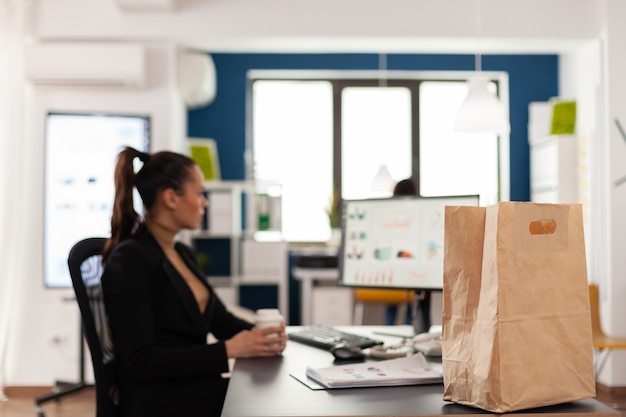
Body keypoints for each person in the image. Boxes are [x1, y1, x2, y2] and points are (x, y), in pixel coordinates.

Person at [101, 147, 287, 417]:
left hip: (193, 386)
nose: (205, 202)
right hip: (160, 400)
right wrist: (228, 350)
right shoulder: (130, 260)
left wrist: (265, 337)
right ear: (171, 198)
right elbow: (139, 361)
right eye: (199, 193)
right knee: (269, 402)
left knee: (271, 393)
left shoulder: (182, 253)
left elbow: (221, 320)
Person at [386, 178, 431, 334]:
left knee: (392, 302)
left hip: (390, 277)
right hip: (410, 274)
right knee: (413, 296)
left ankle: (389, 327)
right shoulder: (417, 214)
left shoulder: (390, 214)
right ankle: (410, 327)